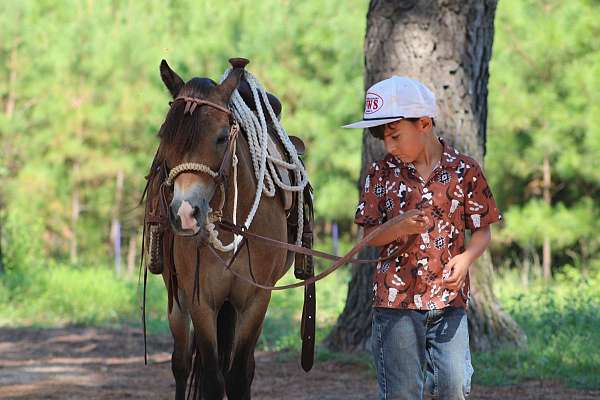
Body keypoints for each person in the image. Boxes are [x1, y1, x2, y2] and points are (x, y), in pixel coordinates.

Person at [343, 76, 502, 400]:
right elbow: (368, 236)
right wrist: (398, 227)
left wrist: (466, 259)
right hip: (395, 304)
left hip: (449, 302)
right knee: (402, 393)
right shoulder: (380, 174)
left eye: (395, 136)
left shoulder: (464, 170)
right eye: (383, 139)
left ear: (425, 123)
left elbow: (483, 230)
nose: (389, 147)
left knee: (454, 386)